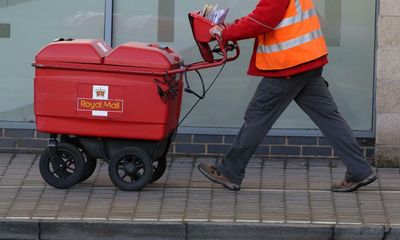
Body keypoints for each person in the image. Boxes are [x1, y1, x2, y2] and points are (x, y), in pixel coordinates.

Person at [198, 0, 377, 192]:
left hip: (287, 67)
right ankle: (359, 169)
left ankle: (230, 171)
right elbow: (266, 15)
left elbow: (262, 20)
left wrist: (224, 33)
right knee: (329, 118)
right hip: (308, 62)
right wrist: (233, 25)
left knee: (257, 117)